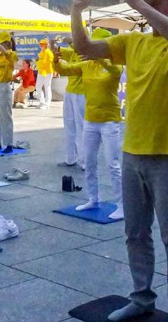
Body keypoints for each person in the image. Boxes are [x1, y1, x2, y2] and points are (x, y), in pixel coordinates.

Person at [71, 0, 168, 322]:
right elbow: (84, 47)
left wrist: (140, 7)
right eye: (146, 2)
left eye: (155, 2)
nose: (146, 7)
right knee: (135, 233)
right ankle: (141, 298)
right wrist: (75, 12)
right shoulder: (133, 42)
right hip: (133, 152)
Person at [55, 27, 124, 219]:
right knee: (90, 162)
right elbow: (64, 69)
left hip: (110, 120)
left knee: (113, 163)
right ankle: (93, 198)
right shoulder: (86, 65)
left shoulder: (115, 65)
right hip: (91, 120)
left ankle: (122, 204)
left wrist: (99, 57)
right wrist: (55, 59)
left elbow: (112, 70)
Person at [58, 37, 86, 168]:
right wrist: (53, 45)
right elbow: (57, 51)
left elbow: (78, 48)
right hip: (69, 91)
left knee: (81, 127)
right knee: (69, 125)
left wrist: (71, 41)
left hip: (81, 93)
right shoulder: (72, 52)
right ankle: (71, 158)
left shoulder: (86, 54)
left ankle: (84, 161)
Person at [0, 31, 17, 152]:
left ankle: (9, 143)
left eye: (1, 43)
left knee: (5, 115)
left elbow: (6, 53)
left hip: (5, 86)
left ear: (8, 43)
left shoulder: (11, 55)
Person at [35, 38, 54, 109]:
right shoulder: (42, 52)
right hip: (41, 72)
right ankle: (42, 102)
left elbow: (49, 63)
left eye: (42, 45)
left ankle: (47, 104)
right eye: (40, 45)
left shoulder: (48, 52)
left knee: (47, 88)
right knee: (38, 87)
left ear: (46, 45)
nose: (41, 46)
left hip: (48, 72)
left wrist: (54, 71)